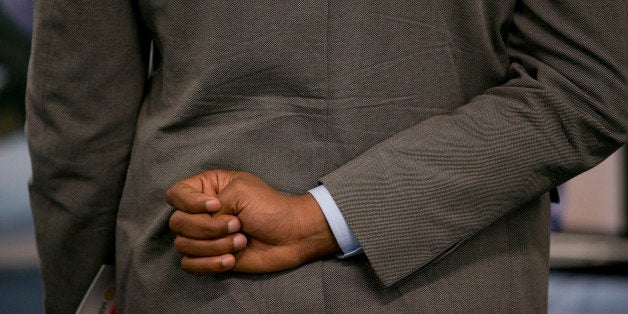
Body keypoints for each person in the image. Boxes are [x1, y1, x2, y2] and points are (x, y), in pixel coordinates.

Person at [26, 0, 626, 313]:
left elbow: (78, 125)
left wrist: (86, 298)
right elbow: (589, 82)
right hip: (458, 285)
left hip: (196, 274)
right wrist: (337, 214)